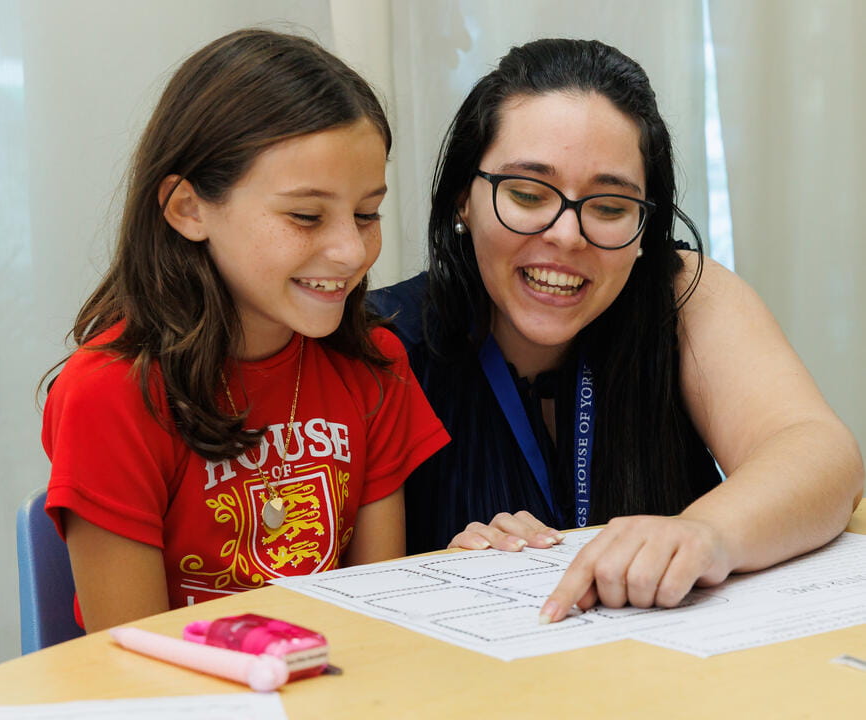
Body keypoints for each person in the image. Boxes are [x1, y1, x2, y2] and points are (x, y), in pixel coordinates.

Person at [370, 38, 863, 624]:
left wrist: (705, 533)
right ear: (462, 200)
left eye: (608, 207)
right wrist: (432, 581)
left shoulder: (682, 293)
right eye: (528, 194)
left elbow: (822, 454)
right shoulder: (381, 343)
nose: (568, 235)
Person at [41, 28, 449, 633]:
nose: (349, 249)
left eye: (367, 214)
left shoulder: (375, 365)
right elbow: (132, 666)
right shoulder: (110, 393)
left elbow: (375, 622)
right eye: (305, 216)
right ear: (188, 208)